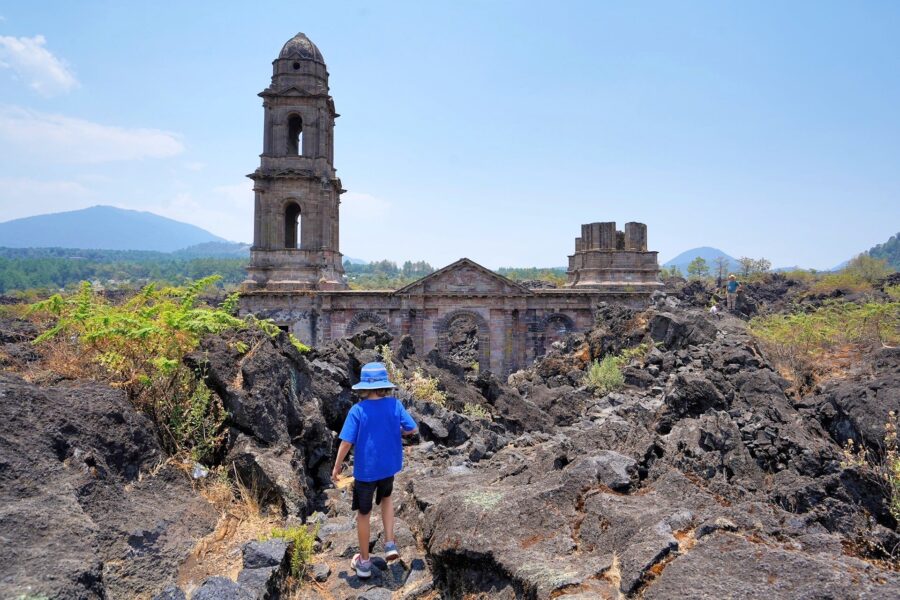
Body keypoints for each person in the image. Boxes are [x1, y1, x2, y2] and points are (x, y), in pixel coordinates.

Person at [332, 362, 418, 579]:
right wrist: (397, 430)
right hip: (388, 467)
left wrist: (337, 466)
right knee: (387, 500)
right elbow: (412, 428)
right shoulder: (395, 405)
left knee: (364, 513)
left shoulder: (358, 410)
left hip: (366, 472)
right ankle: (390, 543)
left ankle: (364, 563)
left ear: (363, 387)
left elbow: (345, 442)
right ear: (384, 385)